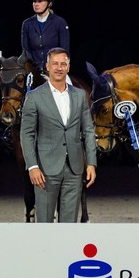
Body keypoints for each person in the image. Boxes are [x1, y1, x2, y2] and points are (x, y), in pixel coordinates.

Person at [20, 47, 97, 223]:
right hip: (45, 170)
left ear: (68, 67)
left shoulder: (79, 96)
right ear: (47, 66)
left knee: (69, 225)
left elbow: (88, 131)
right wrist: (32, 166)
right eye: (55, 63)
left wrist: (91, 163)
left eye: (63, 64)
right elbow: (27, 133)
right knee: (45, 223)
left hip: (74, 169)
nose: (59, 67)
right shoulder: (34, 97)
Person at [21, 0, 70, 75]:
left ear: (49, 3)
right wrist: (33, 67)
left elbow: (64, 49)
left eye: (40, 1)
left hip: (55, 69)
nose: (36, 4)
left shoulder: (60, 22)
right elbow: (26, 50)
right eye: (34, 1)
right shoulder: (27, 24)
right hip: (34, 70)